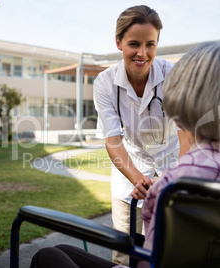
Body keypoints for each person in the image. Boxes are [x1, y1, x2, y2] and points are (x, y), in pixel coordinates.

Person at [30, 40, 220, 268]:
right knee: (65, 250)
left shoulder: (172, 190)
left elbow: (152, 260)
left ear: (187, 96)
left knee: (48, 256)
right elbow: (114, 140)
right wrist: (179, 175)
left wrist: (175, 179)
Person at [93, 5, 189, 265]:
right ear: (119, 43)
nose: (142, 53)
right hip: (128, 179)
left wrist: (168, 180)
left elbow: (186, 135)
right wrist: (139, 181)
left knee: (166, 254)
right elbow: (112, 140)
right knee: (124, 256)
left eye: (151, 44)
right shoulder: (105, 83)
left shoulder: (174, 75)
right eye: (134, 44)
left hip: (172, 171)